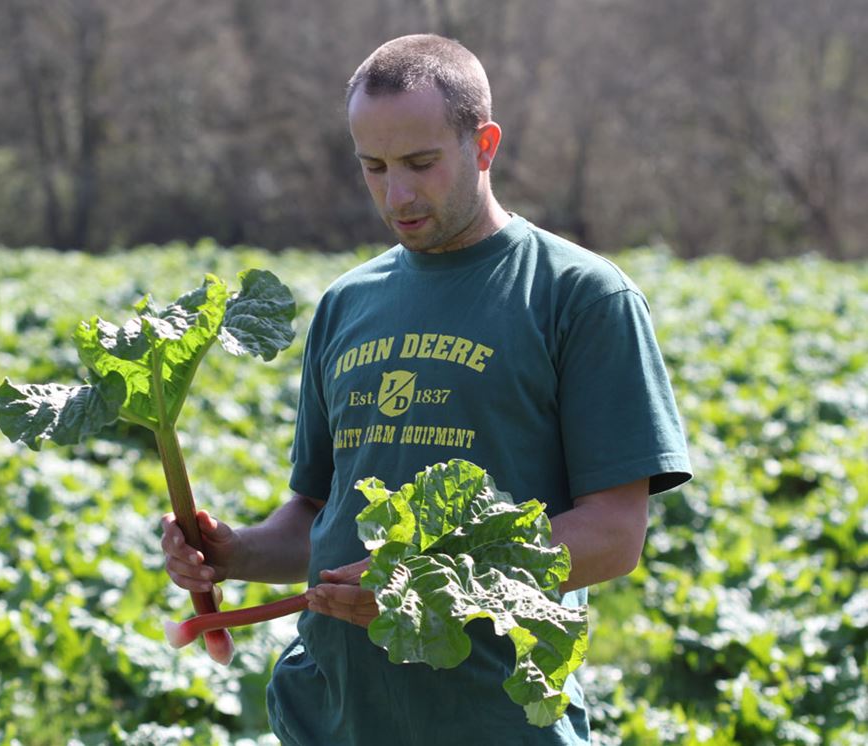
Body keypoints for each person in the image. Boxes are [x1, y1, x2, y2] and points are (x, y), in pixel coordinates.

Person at [161, 33, 692, 745]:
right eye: (373, 167)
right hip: (331, 718)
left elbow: (613, 535)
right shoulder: (347, 304)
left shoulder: (580, 296)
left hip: (496, 723)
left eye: (420, 163)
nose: (397, 194)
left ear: (484, 145)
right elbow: (318, 516)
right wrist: (235, 552)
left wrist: (428, 581)